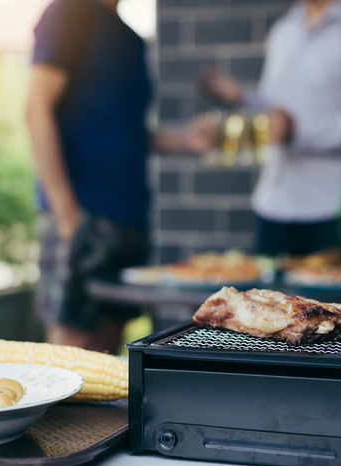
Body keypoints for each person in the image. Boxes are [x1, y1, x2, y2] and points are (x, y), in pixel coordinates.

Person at [25, 0, 209, 354]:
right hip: (83, 218)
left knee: (108, 355)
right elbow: (36, 109)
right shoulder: (69, 12)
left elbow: (124, 131)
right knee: (73, 355)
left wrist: (186, 140)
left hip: (129, 222)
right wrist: (67, 216)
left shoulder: (129, 38)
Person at [197, 0, 341, 259]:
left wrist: (300, 132)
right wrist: (244, 98)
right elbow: (278, 113)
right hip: (275, 203)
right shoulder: (283, 30)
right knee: (264, 300)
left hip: (336, 211)